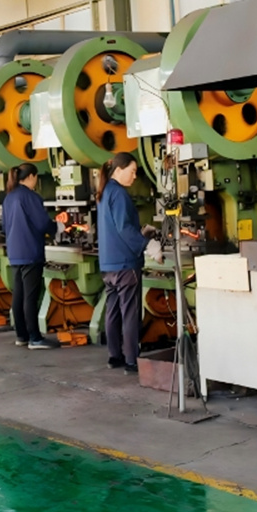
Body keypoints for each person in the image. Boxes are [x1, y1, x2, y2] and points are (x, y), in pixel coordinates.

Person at [97, 152, 161, 374]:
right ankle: (132, 360)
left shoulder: (105, 191)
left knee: (113, 311)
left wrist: (140, 233)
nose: (134, 177)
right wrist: (147, 244)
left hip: (108, 264)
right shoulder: (119, 194)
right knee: (130, 313)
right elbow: (124, 228)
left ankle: (115, 356)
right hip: (125, 265)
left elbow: (117, 227)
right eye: (132, 171)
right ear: (118, 170)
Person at [2, 163, 61, 349]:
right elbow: (42, 223)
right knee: (30, 296)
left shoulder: (9, 197)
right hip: (30, 251)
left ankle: (22, 336)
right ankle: (35, 338)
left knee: (18, 295)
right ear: (31, 177)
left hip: (15, 252)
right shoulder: (30, 197)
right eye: (36, 177)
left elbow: (5, 226)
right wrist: (57, 228)